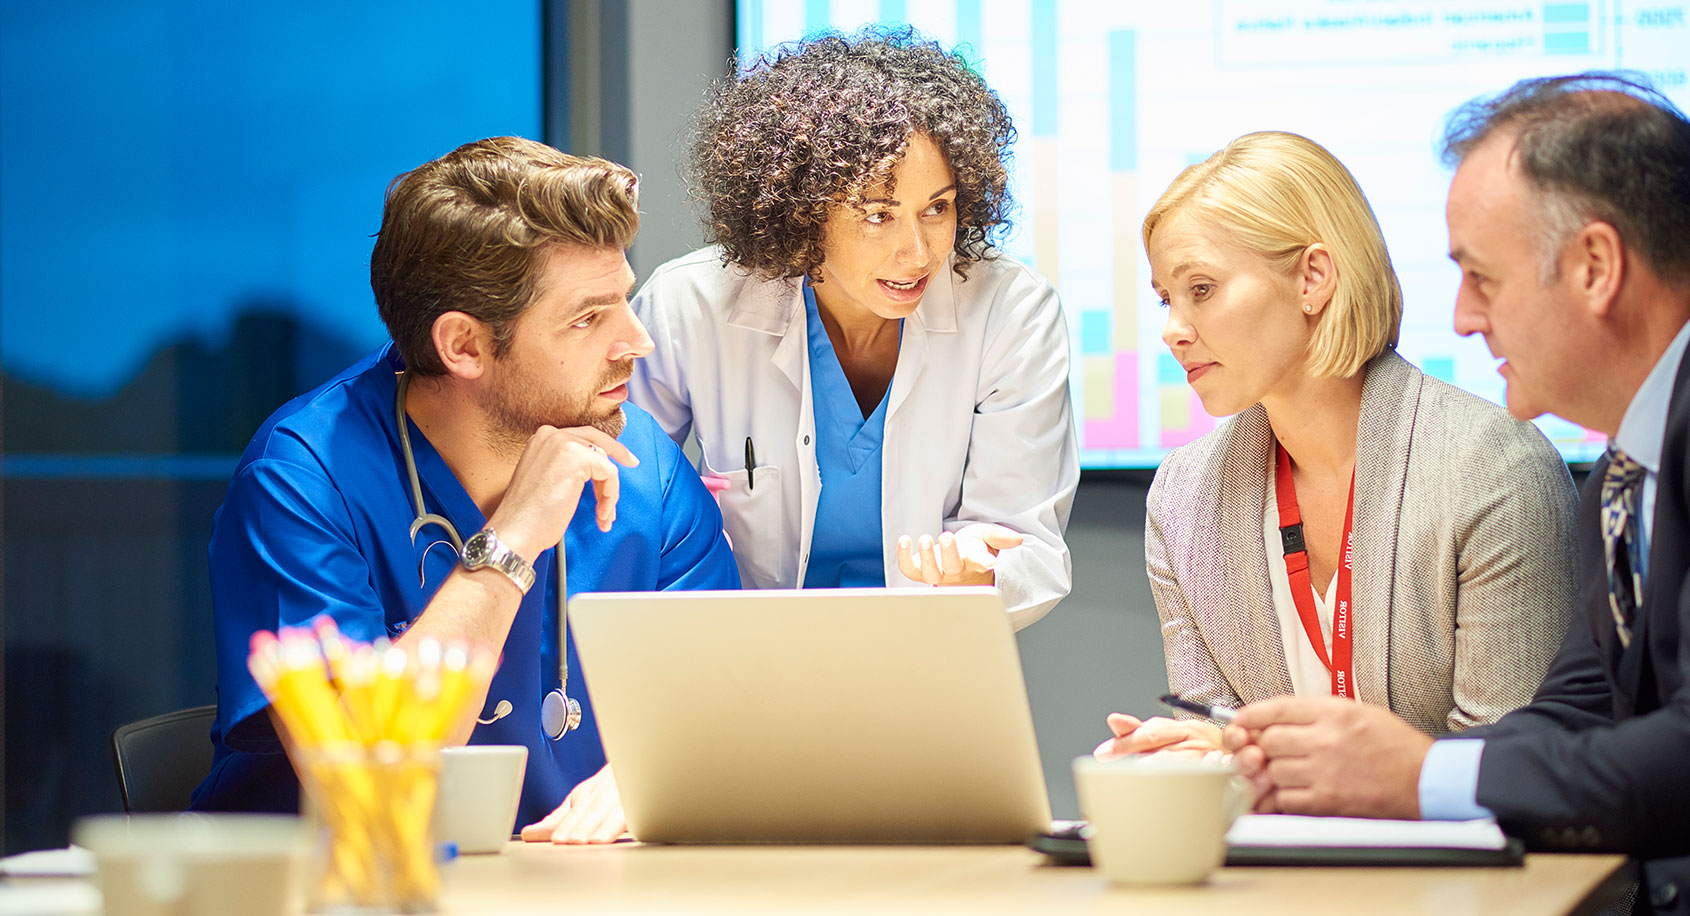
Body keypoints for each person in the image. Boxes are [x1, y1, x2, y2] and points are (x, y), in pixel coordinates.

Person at [1223, 74, 1690, 913]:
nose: (1465, 317)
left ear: (1595, 266)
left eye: (1482, 277)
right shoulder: (1623, 474)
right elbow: (1579, 711)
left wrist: (1421, 773)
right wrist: (1359, 780)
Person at [190, 137, 741, 844]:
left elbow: (723, 707)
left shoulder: (647, 470)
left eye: (625, 303)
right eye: (587, 317)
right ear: (464, 346)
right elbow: (370, 778)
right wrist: (510, 542)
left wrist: (647, 782)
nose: (637, 341)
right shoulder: (301, 480)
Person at [1095, 131, 1578, 760]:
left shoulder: (1492, 468)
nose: (1173, 331)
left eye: (1202, 290)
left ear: (1313, 278)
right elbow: (1224, 733)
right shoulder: (1184, 496)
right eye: (1166, 299)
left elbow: (1511, 766)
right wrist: (1199, 755)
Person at [627, 27, 1078, 627]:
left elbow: (1029, 543)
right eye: (878, 215)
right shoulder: (691, 305)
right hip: (742, 653)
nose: (917, 251)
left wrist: (981, 572)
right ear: (804, 210)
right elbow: (619, 501)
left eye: (936, 208)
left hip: (925, 655)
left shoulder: (1010, 311)